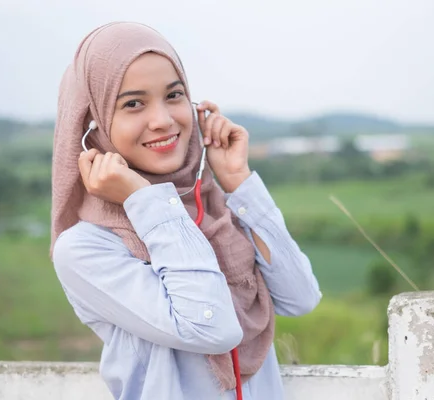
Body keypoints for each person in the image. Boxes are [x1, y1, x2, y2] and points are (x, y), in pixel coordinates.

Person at [50, 21, 322, 400]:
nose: (163, 120)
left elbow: (301, 296)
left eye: (174, 95)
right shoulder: (85, 249)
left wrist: (238, 181)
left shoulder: (218, 211)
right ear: (92, 124)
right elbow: (212, 328)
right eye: (133, 103)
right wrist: (142, 200)